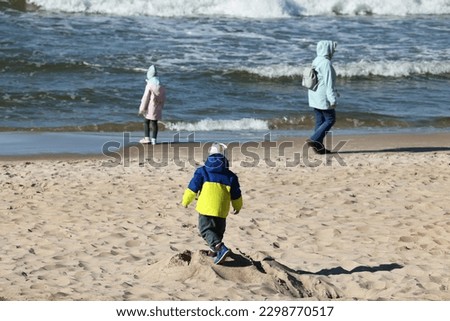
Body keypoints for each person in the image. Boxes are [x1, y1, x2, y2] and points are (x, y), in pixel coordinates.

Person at [181, 143, 243, 265]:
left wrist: (186, 201)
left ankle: (219, 248)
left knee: (205, 230)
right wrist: (237, 206)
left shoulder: (202, 172)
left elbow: (192, 188)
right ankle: (214, 251)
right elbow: (236, 194)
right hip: (221, 211)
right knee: (218, 232)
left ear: (209, 156)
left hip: (206, 208)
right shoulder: (230, 176)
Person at [306, 40, 338, 154]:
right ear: (328, 49)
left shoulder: (316, 60)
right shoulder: (326, 63)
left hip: (314, 94)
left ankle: (318, 147)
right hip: (322, 96)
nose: (333, 52)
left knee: (320, 121)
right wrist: (332, 99)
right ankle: (314, 139)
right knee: (330, 119)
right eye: (332, 49)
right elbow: (328, 83)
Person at [138, 65, 166, 145]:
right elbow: (163, 97)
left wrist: (142, 109)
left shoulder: (149, 85)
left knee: (146, 121)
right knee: (154, 122)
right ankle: (154, 139)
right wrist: (161, 106)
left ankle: (147, 138)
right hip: (158, 107)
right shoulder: (161, 85)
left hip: (150, 107)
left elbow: (145, 97)